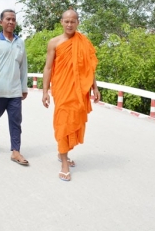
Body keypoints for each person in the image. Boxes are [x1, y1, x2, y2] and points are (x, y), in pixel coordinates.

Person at [42, 9, 100, 181]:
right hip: (62, 89)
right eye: (66, 21)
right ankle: (64, 162)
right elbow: (48, 68)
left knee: (73, 121)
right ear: (61, 22)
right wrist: (45, 91)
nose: (69, 24)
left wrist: (95, 88)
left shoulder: (84, 42)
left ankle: (63, 153)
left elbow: (89, 69)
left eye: (72, 21)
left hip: (79, 92)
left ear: (78, 22)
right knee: (63, 123)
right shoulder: (54, 42)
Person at [0, 9, 29, 166]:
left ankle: (16, 151)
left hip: (15, 90)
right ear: (1, 22)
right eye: (8, 19)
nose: (11, 22)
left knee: (16, 121)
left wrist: (24, 87)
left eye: (13, 19)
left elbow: (23, 67)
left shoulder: (20, 42)